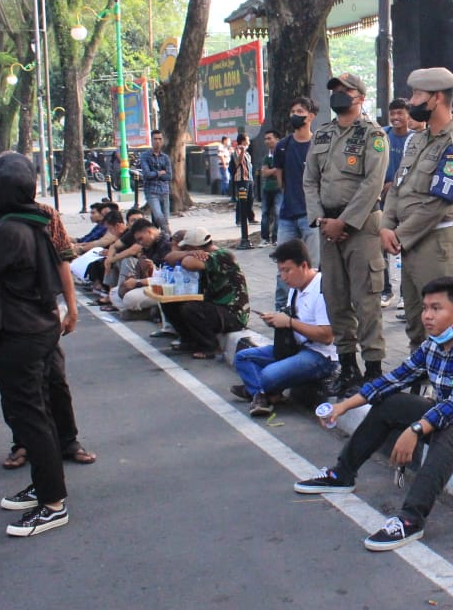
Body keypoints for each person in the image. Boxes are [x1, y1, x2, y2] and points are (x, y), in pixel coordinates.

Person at [295, 276, 453, 552]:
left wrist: (415, 430)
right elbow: (392, 381)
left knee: (451, 429)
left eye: (436, 308)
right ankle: (342, 474)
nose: (426, 315)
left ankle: (411, 519)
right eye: (425, 308)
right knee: (391, 402)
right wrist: (342, 407)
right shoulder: (432, 345)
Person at [0, 153, 75, 537]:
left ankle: (53, 503)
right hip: (40, 326)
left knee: (30, 416)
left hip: (18, 333)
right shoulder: (36, 222)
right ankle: (44, 486)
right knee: (37, 409)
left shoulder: (7, 231)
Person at [0, 196, 94, 470]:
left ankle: (68, 440)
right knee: (14, 387)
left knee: (55, 377)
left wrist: (71, 307)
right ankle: (22, 443)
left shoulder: (45, 214)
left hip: (41, 310)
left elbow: (63, 260)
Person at [303, 74, 388, 392]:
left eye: (345, 91)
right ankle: (348, 366)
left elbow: (373, 184)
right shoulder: (322, 134)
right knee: (335, 298)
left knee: (366, 300)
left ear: (360, 97)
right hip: (327, 228)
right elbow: (310, 179)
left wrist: (346, 222)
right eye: (335, 91)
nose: (338, 96)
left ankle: (374, 369)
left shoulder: (373, 134)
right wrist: (321, 218)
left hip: (361, 228)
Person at [382, 68, 453, 351]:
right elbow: (397, 185)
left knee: (442, 324)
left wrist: (398, 234)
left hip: (439, 245)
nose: (411, 101)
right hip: (411, 242)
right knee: (416, 320)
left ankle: (447, 382)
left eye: (417, 95)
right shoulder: (418, 140)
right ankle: (421, 376)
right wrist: (385, 225)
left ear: (436, 98)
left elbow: (437, 204)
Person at [231, 239, 337, 417]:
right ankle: (263, 394)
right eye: (280, 271)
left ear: (303, 265)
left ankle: (258, 391)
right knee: (242, 358)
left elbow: (327, 336)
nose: (284, 277)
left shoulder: (321, 290)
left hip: (320, 356)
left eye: (287, 270)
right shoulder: (295, 288)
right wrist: (275, 320)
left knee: (268, 376)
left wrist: (289, 322)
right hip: (295, 348)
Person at [160, 227, 249, 359]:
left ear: (194, 247)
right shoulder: (198, 254)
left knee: (191, 309)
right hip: (213, 305)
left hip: (232, 312)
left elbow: (187, 264)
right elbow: (169, 258)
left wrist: (188, 255)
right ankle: (188, 340)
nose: (185, 251)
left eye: (187, 249)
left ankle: (209, 347)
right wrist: (188, 253)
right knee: (169, 302)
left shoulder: (223, 255)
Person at [274, 97, 319, 264]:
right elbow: (281, 181)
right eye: (292, 112)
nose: (295, 115)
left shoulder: (318, 145)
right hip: (287, 215)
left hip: (312, 216)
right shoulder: (282, 146)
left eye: (300, 111)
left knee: (313, 265)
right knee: (283, 266)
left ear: (311, 116)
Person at [380, 98, 412, 308]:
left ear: (409, 115)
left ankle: (405, 294)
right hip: (382, 201)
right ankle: (385, 290)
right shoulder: (383, 135)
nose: (395, 118)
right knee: (381, 245)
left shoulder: (415, 139)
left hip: (406, 201)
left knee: (406, 245)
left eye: (400, 113)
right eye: (393, 114)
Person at [138, 128, 172, 230]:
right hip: (152, 191)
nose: (157, 141)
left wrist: (156, 174)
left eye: (159, 139)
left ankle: (160, 238)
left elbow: (169, 176)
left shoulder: (165, 157)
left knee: (164, 219)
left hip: (164, 191)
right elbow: (147, 174)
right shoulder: (145, 156)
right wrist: (160, 172)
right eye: (155, 139)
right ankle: (168, 235)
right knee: (159, 217)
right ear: (151, 140)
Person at [258, 128, 282, 246]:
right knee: (265, 213)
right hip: (267, 188)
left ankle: (276, 238)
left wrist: (270, 170)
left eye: (269, 138)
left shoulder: (283, 153)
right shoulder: (266, 157)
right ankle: (265, 238)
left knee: (278, 212)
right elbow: (264, 173)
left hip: (279, 188)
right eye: (265, 139)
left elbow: (282, 171)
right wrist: (275, 169)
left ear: (277, 139)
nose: (267, 141)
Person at [230, 132, 257, 229]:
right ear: (243, 141)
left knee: (250, 199)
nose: (249, 142)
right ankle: (239, 220)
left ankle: (250, 218)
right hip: (241, 178)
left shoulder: (247, 153)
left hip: (248, 178)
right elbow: (238, 162)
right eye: (247, 140)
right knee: (242, 199)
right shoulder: (237, 151)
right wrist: (241, 151)